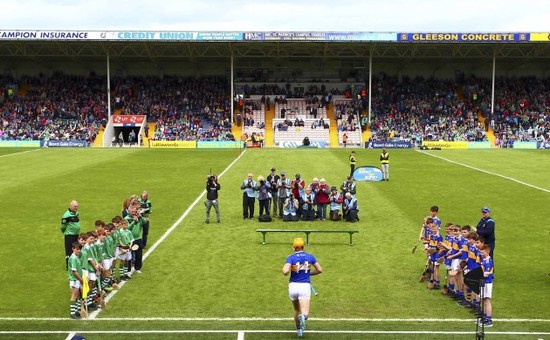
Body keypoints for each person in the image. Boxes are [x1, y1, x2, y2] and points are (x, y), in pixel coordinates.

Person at [282, 238, 323, 338]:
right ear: (303, 246)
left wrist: (289, 270)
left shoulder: (290, 258)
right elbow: (319, 270)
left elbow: (285, 271)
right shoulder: (310, 257)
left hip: (293, 286)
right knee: (305, 313)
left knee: (296, 309)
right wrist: (309, 273)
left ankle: (299, 329)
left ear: (294, 247)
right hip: (304, 286)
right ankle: (303, 317)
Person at [61, 200, 81, 269]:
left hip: (76, 235)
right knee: (69, 250)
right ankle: (69, 266)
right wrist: (66, 232)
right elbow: (63, 226)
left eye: (77, 206)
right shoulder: (66, 215)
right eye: (75, 206)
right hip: (69, 236)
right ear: (70, 206)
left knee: (76, 249)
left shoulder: (76, 213)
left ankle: (75, 263)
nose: (76, 208)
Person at [67, 242, 83, 319]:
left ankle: (76, 311)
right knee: (74, 295)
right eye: (77, 249)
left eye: (79, 249)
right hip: (74, 279)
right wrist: (80, 279)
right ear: (73, 248)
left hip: (77, 279)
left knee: (76, 295)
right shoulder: (73, 258)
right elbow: (74, 271)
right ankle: (72, 313)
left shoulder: (76, 257)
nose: (78, 250)